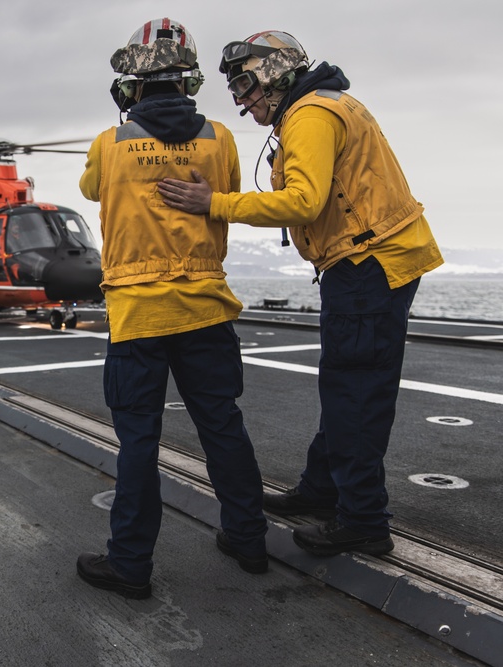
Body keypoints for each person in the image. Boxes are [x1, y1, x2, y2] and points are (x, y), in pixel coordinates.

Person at [157, 31, 443, 557]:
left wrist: (214, 202)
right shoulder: (325, 104)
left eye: (244, 85)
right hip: (372, 261)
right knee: (345, 386)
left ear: (276, 71)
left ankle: (363, 520)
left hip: (366, 264)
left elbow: (303, 202)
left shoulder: (310, 115)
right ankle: (322, 489)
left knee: (355, 391)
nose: (242, 101)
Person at [76, 18, 269, 601]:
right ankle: (249, 540)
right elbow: (227, 192)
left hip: (138, 315)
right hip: (207, 308)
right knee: (222, 427)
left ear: (133, 80)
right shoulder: (219, 138)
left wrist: (129, 133)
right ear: (189, 80)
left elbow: (91, 190)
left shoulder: (110, 144)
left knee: (139, 440)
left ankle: (130, 565)